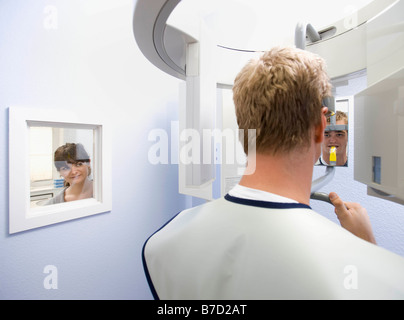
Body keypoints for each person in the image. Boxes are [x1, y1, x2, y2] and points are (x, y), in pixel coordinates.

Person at [142, 47, 404, 299]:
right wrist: (366, 247)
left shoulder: (163, 241)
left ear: (243, 126)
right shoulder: (386, 276)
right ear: (321, 125)